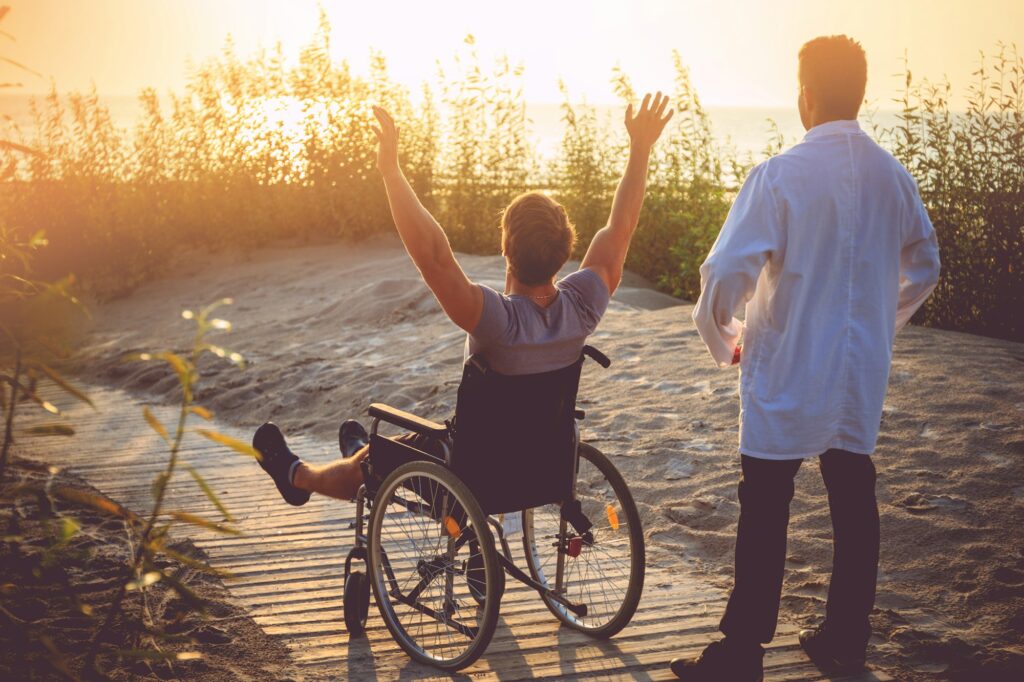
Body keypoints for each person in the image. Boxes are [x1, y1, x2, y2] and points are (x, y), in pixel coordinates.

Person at [251, 93, 674, 508]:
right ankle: (361, 450)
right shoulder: (584, 307)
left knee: (374, 460)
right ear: (566, 249)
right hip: (543, 466)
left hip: (473, 473)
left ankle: (298, 476)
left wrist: (391, 173)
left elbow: (432, 254)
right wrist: (640, 149)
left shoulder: (496, 321)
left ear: (505, 248)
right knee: (398, 446)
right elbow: (621, 228)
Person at [673, 35, 941, 681]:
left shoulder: (781, 174)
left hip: (789, 362)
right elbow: (925, 265)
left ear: (807, 95)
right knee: (854, 498)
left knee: (766, 504)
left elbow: (727, 269)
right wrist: (881, 321)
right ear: (860, 93)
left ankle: (742, 653)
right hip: (856, 372)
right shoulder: (892, 174)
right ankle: (845, 638)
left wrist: (725, 335)